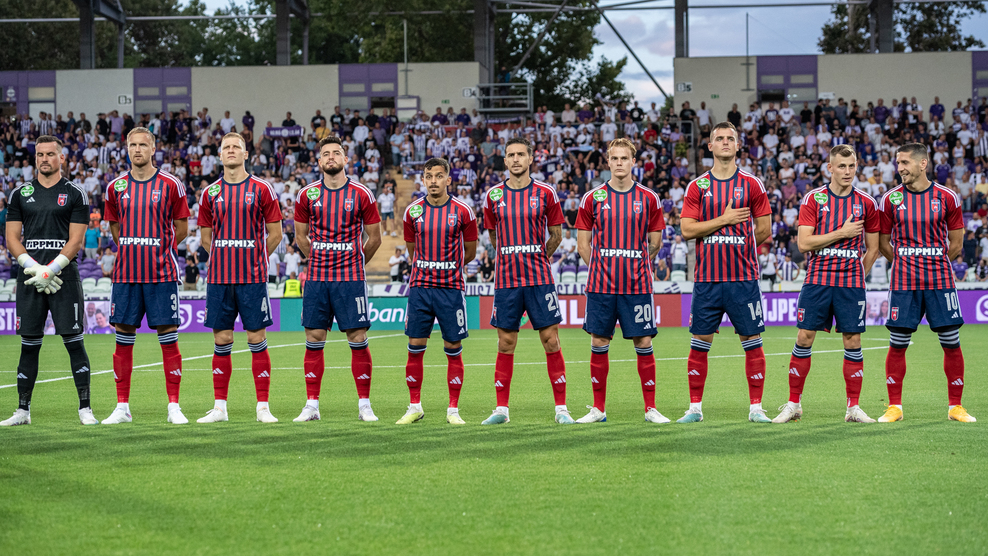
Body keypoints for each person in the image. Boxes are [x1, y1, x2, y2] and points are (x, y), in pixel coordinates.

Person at [773, 144, 881, 424]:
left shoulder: (867, 203)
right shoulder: (814, 199)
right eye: (841, 166)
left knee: (853, 340)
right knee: (804, 337)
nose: (847, 171)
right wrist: (841, 233)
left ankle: (853, 408)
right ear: (830, 168)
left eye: (852, 166)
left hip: (850, 283)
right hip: (817, 280)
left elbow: (874, 248)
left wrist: (859, 275)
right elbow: (804, 243)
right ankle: (794, 404)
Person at [679, 121, 773, 423]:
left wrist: (739, 243)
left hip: (743, 279)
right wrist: (725, 220)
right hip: (707, 279)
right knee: (699, 343)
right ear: (710, 146)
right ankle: (695, 408)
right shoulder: (697, 186)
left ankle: (756, 408)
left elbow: (764, 229)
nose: (725, 142)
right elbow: (687, 230)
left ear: (738, 144)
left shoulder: (752, 184)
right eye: (719, 138)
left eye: (730, 138)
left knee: (752, 341)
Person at [0, 135, 97, 427]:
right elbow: (12, 238)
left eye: (50, 154)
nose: (44, 159)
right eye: (40, 154)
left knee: (74, 342)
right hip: (30, 278)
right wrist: (34, 268)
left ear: (61, 158)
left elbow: (76, 240)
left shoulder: (76, 193)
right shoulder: (20, 193)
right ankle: (22, 411)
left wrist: (52, 269)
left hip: (64, 276)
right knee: (29, 344)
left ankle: (85, 409)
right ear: (35, 158)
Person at [573, 138, 670, 424]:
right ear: (607, 162)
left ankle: (651, 409)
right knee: (599, 340)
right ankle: (598, 409)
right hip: (601, 286)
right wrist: (600, 268)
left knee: (643, 340)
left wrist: (636, 265)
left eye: (624, 158)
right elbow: (583, 245)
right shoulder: (592, 198)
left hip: (637, 286)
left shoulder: (649, 198)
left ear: (633, 162)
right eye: (614, 158)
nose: (619, 163)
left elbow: (655, 243)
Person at [876, 143, 974, 423]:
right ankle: (894, 407)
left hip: (940, 281)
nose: (900, 168)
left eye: (905, 162)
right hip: (903, 282)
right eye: (898, 163)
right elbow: (883, 243)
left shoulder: (947, 197)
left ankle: (956, 407)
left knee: (951, 342)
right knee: (897, 344)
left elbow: (956, 244)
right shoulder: (890, 199)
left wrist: (934, 263)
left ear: (923, 164)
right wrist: (905, 263)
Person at [101, 127, 191, 425]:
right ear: (127, 149)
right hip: (126, 274)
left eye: (143, 145)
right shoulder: (115, 187)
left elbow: (181, 229)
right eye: (132, 145)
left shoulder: (171, 184)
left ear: (153, 149)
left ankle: (174, 406)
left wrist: (158, 248)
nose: (137, 149)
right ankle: (122, 407)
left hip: (161, 273)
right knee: (123, 336)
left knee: (168, 337)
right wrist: (133, 247)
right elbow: (115, 227)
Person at [481, 137, 573, 425]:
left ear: (530, 159)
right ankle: (501, 410)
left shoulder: (546, 192)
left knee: (551, 341)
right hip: (506, 280)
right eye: (511, 155)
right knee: (505, 342)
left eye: (521, 154)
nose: (516, 159)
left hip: (539, 278)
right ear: (505, 161)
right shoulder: (493, 195)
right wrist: (509, 256)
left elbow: (556, 236)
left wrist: (538, 257)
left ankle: (561, 409)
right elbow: (493, 236)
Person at [292, 136, 383, 422]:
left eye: (337, 153)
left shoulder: (362, 193)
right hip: (317, 278)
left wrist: (354, 263)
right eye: (326, 153)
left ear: (346, 159)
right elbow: (300, 237)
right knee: (314, 337)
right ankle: (311, 405)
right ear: (319, 161)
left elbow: (375, 238)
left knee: (357, 337)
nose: (331, 157)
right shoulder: (306, 195)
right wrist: (318, 259)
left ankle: (365, 405)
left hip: (350, 278)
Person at [195, 132, 283, 424]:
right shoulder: (210, 193)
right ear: (220, 155)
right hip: (219, 279)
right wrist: (223, 257)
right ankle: (220, 408)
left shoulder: (262, 188)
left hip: (252, 278)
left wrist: (256, 257)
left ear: (246, 154)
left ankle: (263, 408)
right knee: (222, 339)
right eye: (226, 147)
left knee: (257, 338)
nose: (231, 151)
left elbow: (276, 234)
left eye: (236, 147)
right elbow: (206, 238)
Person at [396, 158, 478, 425]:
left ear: (448, 180)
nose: (433, 181)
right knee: (414, 347)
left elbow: (470, 252)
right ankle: (414, 406)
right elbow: (412, 251)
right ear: (423, 180)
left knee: (453, 347)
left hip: (451, 289)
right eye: (429, 176)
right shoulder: (412, 212)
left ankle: (453, 410)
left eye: (439, 176)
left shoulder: (463, 211)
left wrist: (447, 267)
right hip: (420, 288)